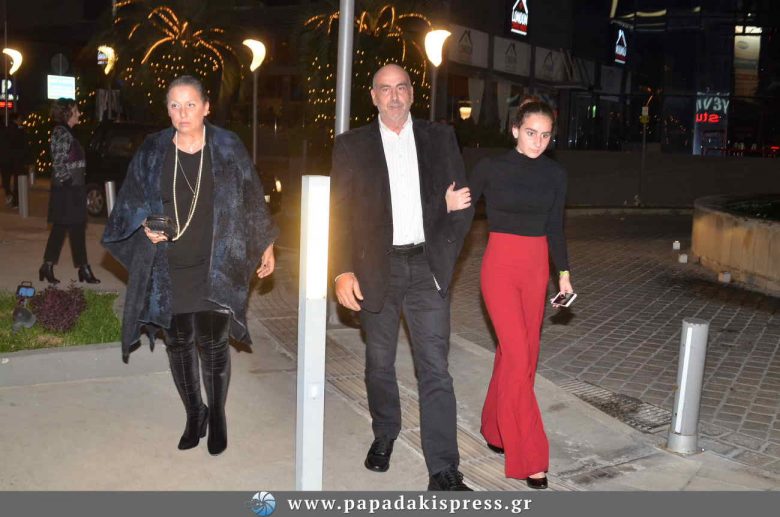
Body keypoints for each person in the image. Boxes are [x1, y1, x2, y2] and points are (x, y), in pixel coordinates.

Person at [102, 75, 278, 456]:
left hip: (216, 262)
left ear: (206, 107)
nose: (183, 113)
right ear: (168, 110)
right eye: (175, 105)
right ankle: (195, 412)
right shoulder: (153, 150)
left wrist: (266, 242)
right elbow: (132, 199)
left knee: (213, 344)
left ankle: (218, 416)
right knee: (179, 344)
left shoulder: (227, 146)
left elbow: (251, 193)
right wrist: (144, 225)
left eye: (190, 104)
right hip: (169, 266)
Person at [330, 64, 474, 491]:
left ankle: (443, 468)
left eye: (401, 88)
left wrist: (445, 259)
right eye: (385, 89)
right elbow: (338, 214)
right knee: (379, 362)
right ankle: (385, 433)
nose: (394, 96)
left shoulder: (439, 138)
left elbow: (462, 204)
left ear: (412, 93)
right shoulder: (351, 145)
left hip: (426, 267)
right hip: (377, 268)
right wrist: (341, 270)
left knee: (435, 368)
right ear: (373, 96)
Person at [453, 101, 573, 489]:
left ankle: (495, 428)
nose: (538, 141)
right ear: (515, 130)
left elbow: (555, 227)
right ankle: (530, 456)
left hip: (536, 269)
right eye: (531, 132)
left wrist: (564, 275)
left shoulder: (555, 174)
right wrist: (447, 207)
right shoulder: (490, 167)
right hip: (500, 267)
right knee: (519, 357)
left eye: (545, 135)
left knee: (519, 355)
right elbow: (462, 215)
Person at [39, 99, 100, 285]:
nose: (79, 113)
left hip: (73, 188)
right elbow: (58, 162)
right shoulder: (61, 132)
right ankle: (77, 268)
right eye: (76, 110)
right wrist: (68, 183)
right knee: (65, 227)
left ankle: (72, 267)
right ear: (67, 114)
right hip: (67, 190)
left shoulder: (68, 132)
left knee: (74, 227)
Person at [0, 112, 30, 208]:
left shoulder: (4, 130)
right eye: (20, 119)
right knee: (18, 181)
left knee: (6, 180)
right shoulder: (21, 131)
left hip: (5, 159)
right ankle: (15, 201)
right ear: (16, 119)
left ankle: (9, 194)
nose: (21, 121)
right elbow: (25, 146)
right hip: (17, 160)